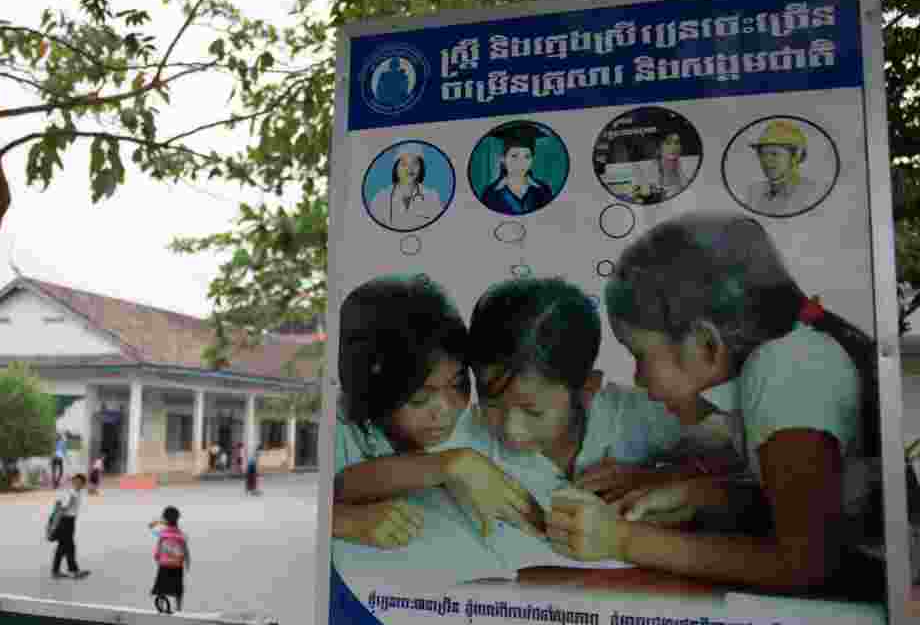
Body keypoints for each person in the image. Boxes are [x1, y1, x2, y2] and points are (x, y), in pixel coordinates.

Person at [548, 212, 881, 598]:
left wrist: (620, 540)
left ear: (706, 345)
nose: (638, 378)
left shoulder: (785, 370)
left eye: (639, 354)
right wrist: (700, 495)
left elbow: (803, 563)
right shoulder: (787, 356)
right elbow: (813, 503)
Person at [468, 276, 734, 516]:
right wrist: (451, 464)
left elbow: (733, 443)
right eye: (492, 403)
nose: (510, 430)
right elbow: (429, 458)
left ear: (587, 388)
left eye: (533, 412)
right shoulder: (471, 431)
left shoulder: (628, 414)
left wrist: (663, 475)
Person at [332, 273, 540, 549]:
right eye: (420, 397)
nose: (444, 411)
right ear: (372, 391)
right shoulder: (338, 427)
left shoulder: (477, 425)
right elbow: (335, 487)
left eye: (458, 385)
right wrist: (345, 520)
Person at [740, 120, 823, 216]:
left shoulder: (813, 193)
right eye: (763, 154)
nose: (766, 161)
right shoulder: (754, 192)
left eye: (774, 154)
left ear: (796, 156)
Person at [478, 123, 556, 216]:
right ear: (503, 159)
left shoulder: (543, 190)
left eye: (527, 156)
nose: (521, 162)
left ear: (532, 160)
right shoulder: (490, 194)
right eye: (514, 156)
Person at [368, 145, 445, 231]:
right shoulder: (380, 198)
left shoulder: (432, 197)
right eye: (404, 164)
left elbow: (440, 229)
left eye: (415, 163)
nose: (410, 169)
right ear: (396, 168)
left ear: (421, 167)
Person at [631, 129, 691, 203]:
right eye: (668, 143)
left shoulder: (679, 165)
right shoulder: (643, 168)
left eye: (676, 143)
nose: (674, 147)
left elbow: (686, 187)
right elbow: (637, 195)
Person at [149, 506, 191, 612]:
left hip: (164, 564)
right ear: (177, 519)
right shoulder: (181, 534)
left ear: (165, 519)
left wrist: (160, 521)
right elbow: (185, 550)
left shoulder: (163, 533)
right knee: (177, 589)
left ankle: (161, 608)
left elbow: (151, 527)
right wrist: (187, 563)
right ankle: (179, 609)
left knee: (161, 588)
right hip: (177, 565)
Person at [51, 473, 91, 579]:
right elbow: (62, 509)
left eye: (80, 482)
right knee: (69, 547)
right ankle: (72, 570)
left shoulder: (77, 492)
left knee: (63, 547)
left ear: (83, 484)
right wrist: (55, 524)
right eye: (76, 481)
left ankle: (57, 571)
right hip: (65, 522)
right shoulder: (71, 493)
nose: (78, 484)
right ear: (73, 482)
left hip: (70, 521)